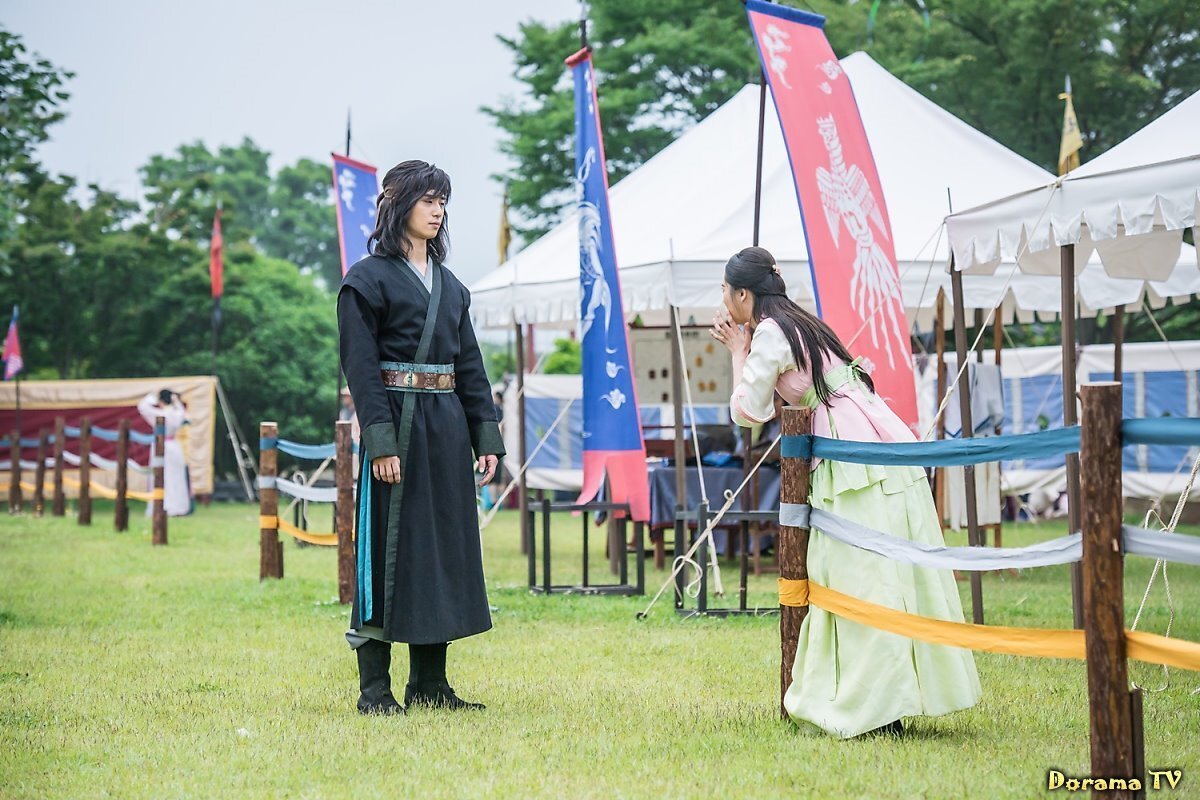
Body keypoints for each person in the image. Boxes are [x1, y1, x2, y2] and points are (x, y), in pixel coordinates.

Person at [710, 246, 980, 739]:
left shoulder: (770, 332)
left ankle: (876, 707)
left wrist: (736, 351)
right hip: (879, 440)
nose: (724, 300)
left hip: (848, 456)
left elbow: (748, 412)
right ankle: (891, 700)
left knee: (858, 577)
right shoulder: (802, 324)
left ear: (743, 295)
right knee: (889, 571)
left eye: (726, 291)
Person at [337, 160, 503, 715]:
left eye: (442, 201)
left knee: (441, 552)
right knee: (386, 553)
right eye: (427, 200)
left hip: (446, 431)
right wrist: (381, 442)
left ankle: (430, 684)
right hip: (397, 430)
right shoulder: (366, 280)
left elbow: (471, 367)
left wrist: (486, 438)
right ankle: (374, 690)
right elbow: (361, 368)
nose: (437, 211)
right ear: (398, 203)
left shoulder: (452, 287)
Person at [136, 389, 191, 516]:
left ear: (160, 401)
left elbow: (142, 406)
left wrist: (152, 396)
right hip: (174, 446)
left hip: (160, 446)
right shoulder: (177, 413)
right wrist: (176, 401)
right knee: (176, 477)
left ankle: (161, 505)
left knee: (159, 476)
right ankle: (177, 506)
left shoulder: (158, 414)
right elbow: (181, 410)